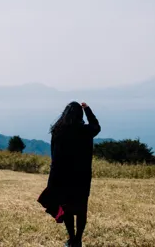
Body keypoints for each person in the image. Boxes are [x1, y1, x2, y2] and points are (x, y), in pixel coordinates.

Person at [37, 101, 101, 247]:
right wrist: (88, 110)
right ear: (80, 115)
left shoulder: (58, 132)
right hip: (82, 177)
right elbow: (97, 126)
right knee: (81, 208)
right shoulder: (85, 131)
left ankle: (71, 239)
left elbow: (55, 158)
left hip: (63, 177)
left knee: (67, 208)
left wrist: (52, 182)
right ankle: (78, 240)